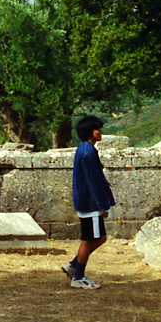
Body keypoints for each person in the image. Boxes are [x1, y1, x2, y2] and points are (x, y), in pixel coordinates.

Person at [62, 115, 115, 289]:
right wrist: (102, 205)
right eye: (97, 129)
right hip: (90, 204)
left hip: (87, 201)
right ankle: (78, 277)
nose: (100, 131)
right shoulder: (88, 151)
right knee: (90, 239)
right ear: (89, 132)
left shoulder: (86, 149)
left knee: (99, 238)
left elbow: (93, 177)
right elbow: (92, 181)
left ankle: (74, 265)